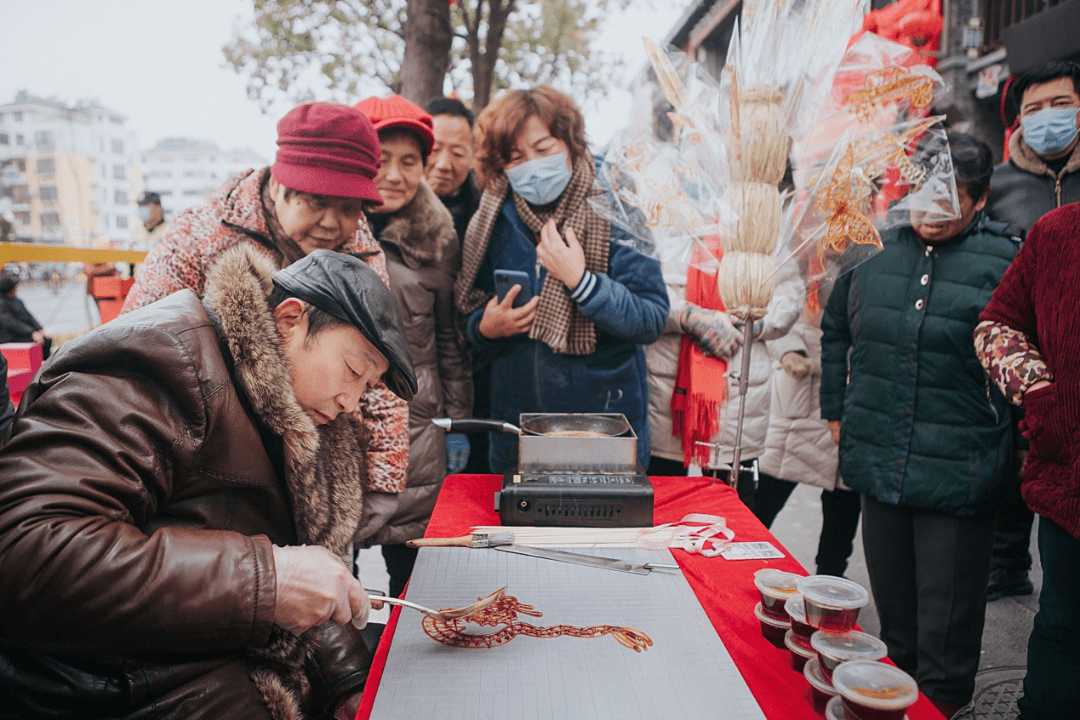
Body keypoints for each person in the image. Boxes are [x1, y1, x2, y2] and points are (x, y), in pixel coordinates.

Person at [0, 247, 417, 720]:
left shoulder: (290, 407)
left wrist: (347, 682)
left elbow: (301, 572)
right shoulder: (159, 362)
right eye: (353, 371)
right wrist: (268, 579)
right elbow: (26, 549)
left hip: (207, 662)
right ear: (289, 320)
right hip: (104, 684)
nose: (351, 401)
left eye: (367, 387)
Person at [121, 102, 410, 542]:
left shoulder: (363, 252)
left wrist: (384, 481)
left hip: (314, 457)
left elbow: (373, 367)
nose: (333, 222)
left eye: (350, 207)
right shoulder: (201, 233)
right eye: (317, 202)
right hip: (210, 460)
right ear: (280, 183)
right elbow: (142, 340)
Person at [820, 133, 1019, 716]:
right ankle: (890, 702)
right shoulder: (873, 248)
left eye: (951, 197)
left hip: (960, 463)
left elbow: (1028, 354)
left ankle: (944, 705)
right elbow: (836, 331)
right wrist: (836, 408)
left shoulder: (1008, 258)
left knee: (947, 625)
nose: (933, 210)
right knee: (894, 617)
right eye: (924, 194)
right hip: (878, 455)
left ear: (979, 200)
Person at [454, 86, 668, 473]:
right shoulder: (492, 218)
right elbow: (467, 312)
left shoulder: (615, 203)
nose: (531, 166)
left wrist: (583, 282)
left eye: (544, 148)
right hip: (519, 426)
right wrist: (485, 328)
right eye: (515, 157)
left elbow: (651, 316)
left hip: (605, 426)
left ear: (571, 143)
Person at [355, 94, 472, 598]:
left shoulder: (437, 238)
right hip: (338, 430)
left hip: (416, 437)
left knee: (415, 585)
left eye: (409, 162)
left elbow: (449, 344)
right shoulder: (324, 227)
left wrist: (457, 425)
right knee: (336, 584)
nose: (396, 175)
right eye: (381, 161)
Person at [975, 200, 1080, 720]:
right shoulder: (1060, 230)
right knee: (1062, 629)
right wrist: (1040, 392)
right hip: (1071, 482)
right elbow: (996, 325)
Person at [982, 60, 1080, 601]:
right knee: (1010, 457)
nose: (1048, 118)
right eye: (1033, 110)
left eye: (1061, 105)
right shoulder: (999, 185)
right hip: (1016, 346)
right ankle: (1007, 561)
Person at [644, 240, 801, 510]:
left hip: (737, 405)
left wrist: (750, 319)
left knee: (731, 514)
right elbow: (646, 293)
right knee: (659, 505)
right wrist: (689, 316)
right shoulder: (665, 218)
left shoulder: (763, 228)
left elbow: (789, 297)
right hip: (669, 396)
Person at [753, 321, 862, 578]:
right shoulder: (804, 281)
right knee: (767, 494)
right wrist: (789, 350)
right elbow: (774, 309)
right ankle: (739, 566)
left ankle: (829, 583)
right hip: (802, 388)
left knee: (844, 498)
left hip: (854, 389)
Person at [424, 95, 490, 474]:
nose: (444, 164)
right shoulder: (378, 218)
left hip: (474, 390)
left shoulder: (489, 220)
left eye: (458, 152)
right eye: (434, 149)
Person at [0, 274, 52, 359]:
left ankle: (45, 363)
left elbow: (29, 316)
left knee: (47, 339)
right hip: (11, 336)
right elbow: (12, 323)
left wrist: (39, 329)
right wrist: (31, 332)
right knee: (39, 342)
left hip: (24, 333)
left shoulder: (17, 300)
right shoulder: (2, 303)